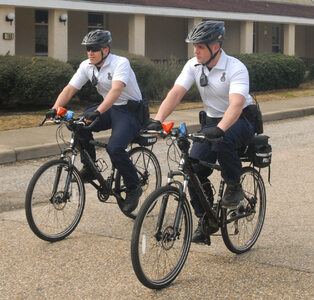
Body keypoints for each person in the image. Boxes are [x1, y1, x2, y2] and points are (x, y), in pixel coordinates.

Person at [146, 20, 257, 245]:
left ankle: (233, 185)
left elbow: (236, 105)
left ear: (215, 46)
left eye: (200, 46)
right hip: (213, 121)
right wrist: (158, 120)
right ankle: (206, 219)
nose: (195, 50)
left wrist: (221, 129)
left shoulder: (235, 67)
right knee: (193, 167)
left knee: (222, 140)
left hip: (240, 119)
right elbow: (176, 93)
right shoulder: (193, 65)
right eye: (194, 46)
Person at [46, 29, 143, 214]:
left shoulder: (120, 63)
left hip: (129, 111)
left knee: (114, 148)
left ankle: (133, 187)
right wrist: (55, 108)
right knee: (77, 124)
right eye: (88, 49)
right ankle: (90, 167)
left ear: (105, 50)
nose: (90, 52)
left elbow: (116, 91)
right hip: (109, 107)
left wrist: (97, 112)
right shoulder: (87, 66)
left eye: (94, 49)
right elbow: (70, 89)